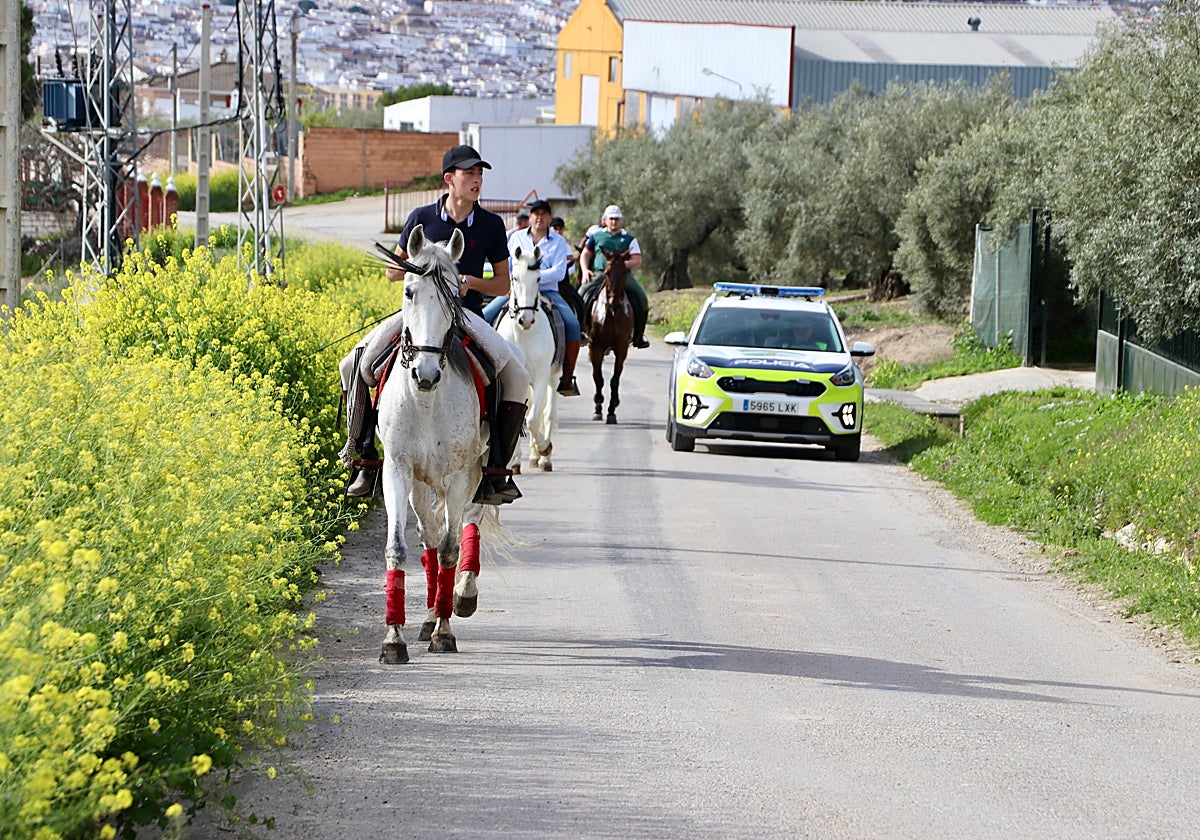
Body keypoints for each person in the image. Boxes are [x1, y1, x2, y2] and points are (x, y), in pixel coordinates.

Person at [339, 144, 530, 505]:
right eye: (469, 173)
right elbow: (392, 272)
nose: (477, 180)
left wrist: (471, 281)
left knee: (517, 376)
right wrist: (414, 269)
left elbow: (503, 285)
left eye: (480, 174)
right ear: (449, 179)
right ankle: (363, 456)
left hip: (465, 314)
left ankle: (497, 470)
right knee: (354, 364)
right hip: (419, 313)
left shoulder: (490, 225)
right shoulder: (421, 217)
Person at [484, 199, 583, 397]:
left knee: (573, 325)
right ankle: (485, 372)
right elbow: (507, 266)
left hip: (548, 292)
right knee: (485, 317)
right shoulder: (515, 238)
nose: (540, 218)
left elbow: (559, 272)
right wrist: (522, 281)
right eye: (536, 214)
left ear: (549, 218)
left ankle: (567, 377)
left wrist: (533, 278)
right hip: (518, 293)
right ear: (530, 217)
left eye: (544, 214)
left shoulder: (558, 242)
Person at [580, 204, 651, 348]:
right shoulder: (596, 236)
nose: (614, 222)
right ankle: (580, 331)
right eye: (611, 219)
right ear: (605, 220)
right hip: (600, 273)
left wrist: (620, 266)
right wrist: (585, 270)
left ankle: (638, 335)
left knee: (642, 298)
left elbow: (637, 260)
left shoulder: (629, 239)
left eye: (617, 219)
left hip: (622, 275)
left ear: (621, 220)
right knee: (580, 294)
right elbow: (585, 254)